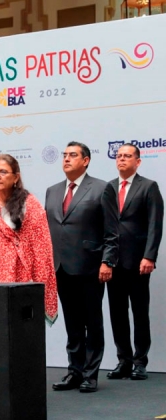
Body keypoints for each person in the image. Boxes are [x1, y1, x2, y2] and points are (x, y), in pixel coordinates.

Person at [45, 141, 118, 393]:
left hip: (90, 267)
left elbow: (112, 231)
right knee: (73, 324)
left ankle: (90, 374)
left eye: (72, 155)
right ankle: (74, 372)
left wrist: (108, 261)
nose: (66, 159)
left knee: (92, 322)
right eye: (64, 155)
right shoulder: (52, 191)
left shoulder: (102, 188)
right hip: (61, 267)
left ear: (85, 160)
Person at [106, 143, 163, 381]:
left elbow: (155, 224)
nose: (122, 160)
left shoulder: (148, 187)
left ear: (138, 161)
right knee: (117, 313)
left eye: (127, 156)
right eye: (118, 156)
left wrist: (149, 256)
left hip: (139, 262)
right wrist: (104, 259)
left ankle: (140, 362)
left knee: (139, 313)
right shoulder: (108, 188)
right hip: (112, 261)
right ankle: (124, 361)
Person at [0, 154, 58, 323]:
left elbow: (41, 245)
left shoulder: (30, 204)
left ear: (16, 177)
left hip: (22, 274)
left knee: (19, 326)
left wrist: (40, 278)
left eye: (3, 172)